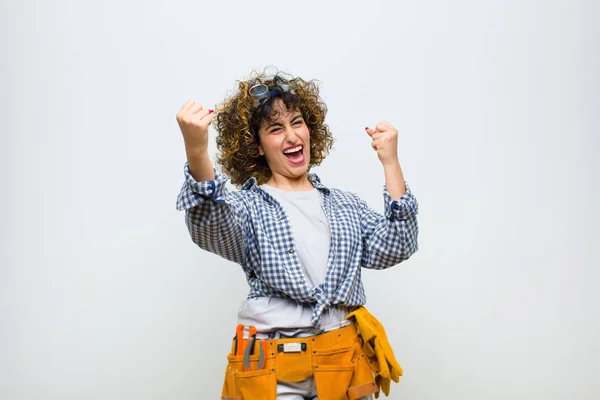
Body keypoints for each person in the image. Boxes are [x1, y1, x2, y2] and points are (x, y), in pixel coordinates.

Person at [175, 70, 419, 400]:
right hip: (271, 369)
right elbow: (211, 225)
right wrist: (196, 150)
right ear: (257, 146)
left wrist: (390, 162)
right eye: (276, 129)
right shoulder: (248, 207)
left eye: (297, 122)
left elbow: (397, 244)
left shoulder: (345, 206)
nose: (291, 136)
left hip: (342, 363)